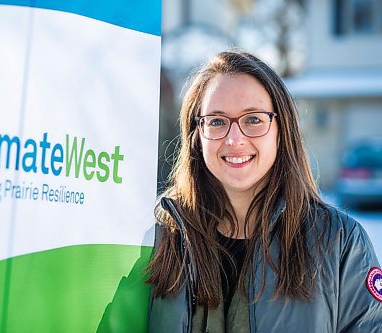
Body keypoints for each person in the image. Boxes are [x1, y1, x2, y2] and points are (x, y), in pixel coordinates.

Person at [147, 50, 382, 332]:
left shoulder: (341, 244)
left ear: (282, 129)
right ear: (197, 134)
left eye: (254, 119)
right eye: (217, 121)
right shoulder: (159, 237)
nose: (234, 139)